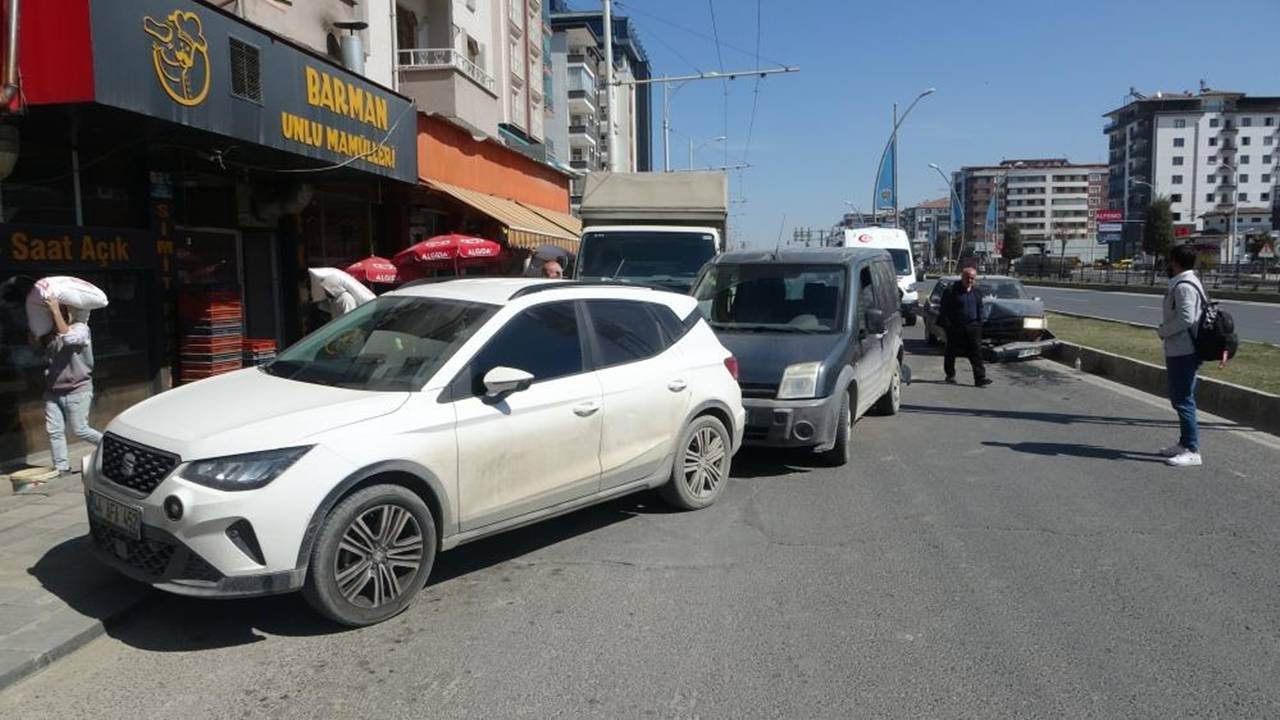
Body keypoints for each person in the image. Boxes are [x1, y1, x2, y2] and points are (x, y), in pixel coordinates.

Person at [39, 297, 103, 474]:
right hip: (53, 391)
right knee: (54, 432)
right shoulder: (50, 334)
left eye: (61, 310)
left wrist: (55, 310)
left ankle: (114, 446)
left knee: (80, 430)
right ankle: (62, 468)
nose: (53, 315)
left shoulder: (81, 329)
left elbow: (69, 339)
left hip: (77, 390)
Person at [1157, 244, 1205, 468]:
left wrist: (1163, 331)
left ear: (1175, 262)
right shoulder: (1184, 282)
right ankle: (1184, 443)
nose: (1168, 264)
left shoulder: (1184, 286)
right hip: (1181, 349)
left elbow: (1186, 318)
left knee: (1183, 400)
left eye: (1170, 260)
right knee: (1180, 398)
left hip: (1183, 350)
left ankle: (1193, 450)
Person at [939, 266, 991, 387]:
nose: (970, 280)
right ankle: (950, 375)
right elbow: (944, 309)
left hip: (973, 327)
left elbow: (980, 308)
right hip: (955, 326)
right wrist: (948, 325)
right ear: (962, 277)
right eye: (967, 278)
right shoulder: (951, 291)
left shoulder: (977, 291)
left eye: (972, 278)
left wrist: (979, 322)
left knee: (976, 352)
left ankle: (980, 378)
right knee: (951, 351)